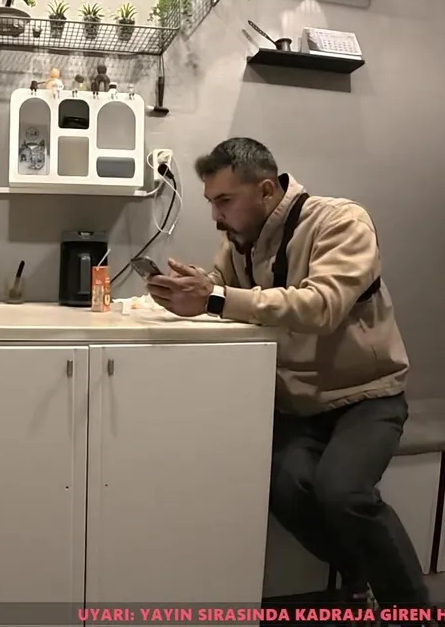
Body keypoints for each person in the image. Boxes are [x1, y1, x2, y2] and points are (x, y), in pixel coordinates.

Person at [143, 137, 429, 609]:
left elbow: (322, 305)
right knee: (283, 489)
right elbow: (223, 284)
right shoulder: (239, 240)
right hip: (297, 404)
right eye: (212, 202)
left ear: (267, 190)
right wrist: (193, 285)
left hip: (367, 397)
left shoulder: (341, 221)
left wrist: (213, 298)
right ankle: (360, 570)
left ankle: (412, 612)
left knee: (343, 492)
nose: (216, 216)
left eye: (224, 201)